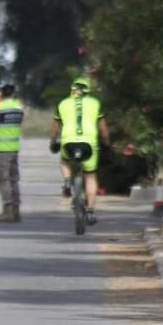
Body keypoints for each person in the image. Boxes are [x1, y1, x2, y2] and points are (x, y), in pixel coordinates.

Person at [50, 77, 110, 225]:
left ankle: (67, 181)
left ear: (72, 91)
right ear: (88, 91)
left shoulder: (63, 104)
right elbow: (103, 129)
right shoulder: (95, 103)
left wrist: (53, 143)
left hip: (68, 143)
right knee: (90, 176)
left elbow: (55, 128)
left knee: (65, 161)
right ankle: (90, 210)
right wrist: (106, 143)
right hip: (89, 144)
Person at [0, 84, 24, 222]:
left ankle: (8, 212)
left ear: (2, 95)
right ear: (13, 94)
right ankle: (16, 211)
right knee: (14, 180)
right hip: (14, 148)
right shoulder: (19, 108)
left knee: (3, 180)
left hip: (2, 148)